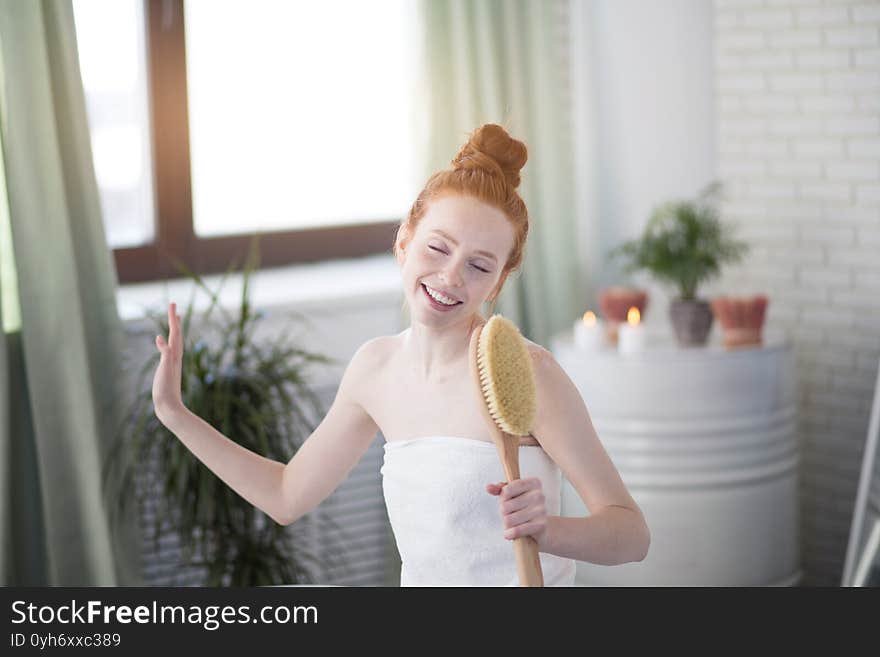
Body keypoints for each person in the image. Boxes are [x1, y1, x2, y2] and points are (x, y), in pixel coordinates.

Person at [152, 123, 650, 586]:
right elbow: (286, 495)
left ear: (497, 283)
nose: (452, 276)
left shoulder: (525, 372)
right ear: (403, 243)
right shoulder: (376, 369)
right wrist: (175, 415)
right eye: (438, 248)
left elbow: (631, 535)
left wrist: (548, 529)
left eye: (479, 266)